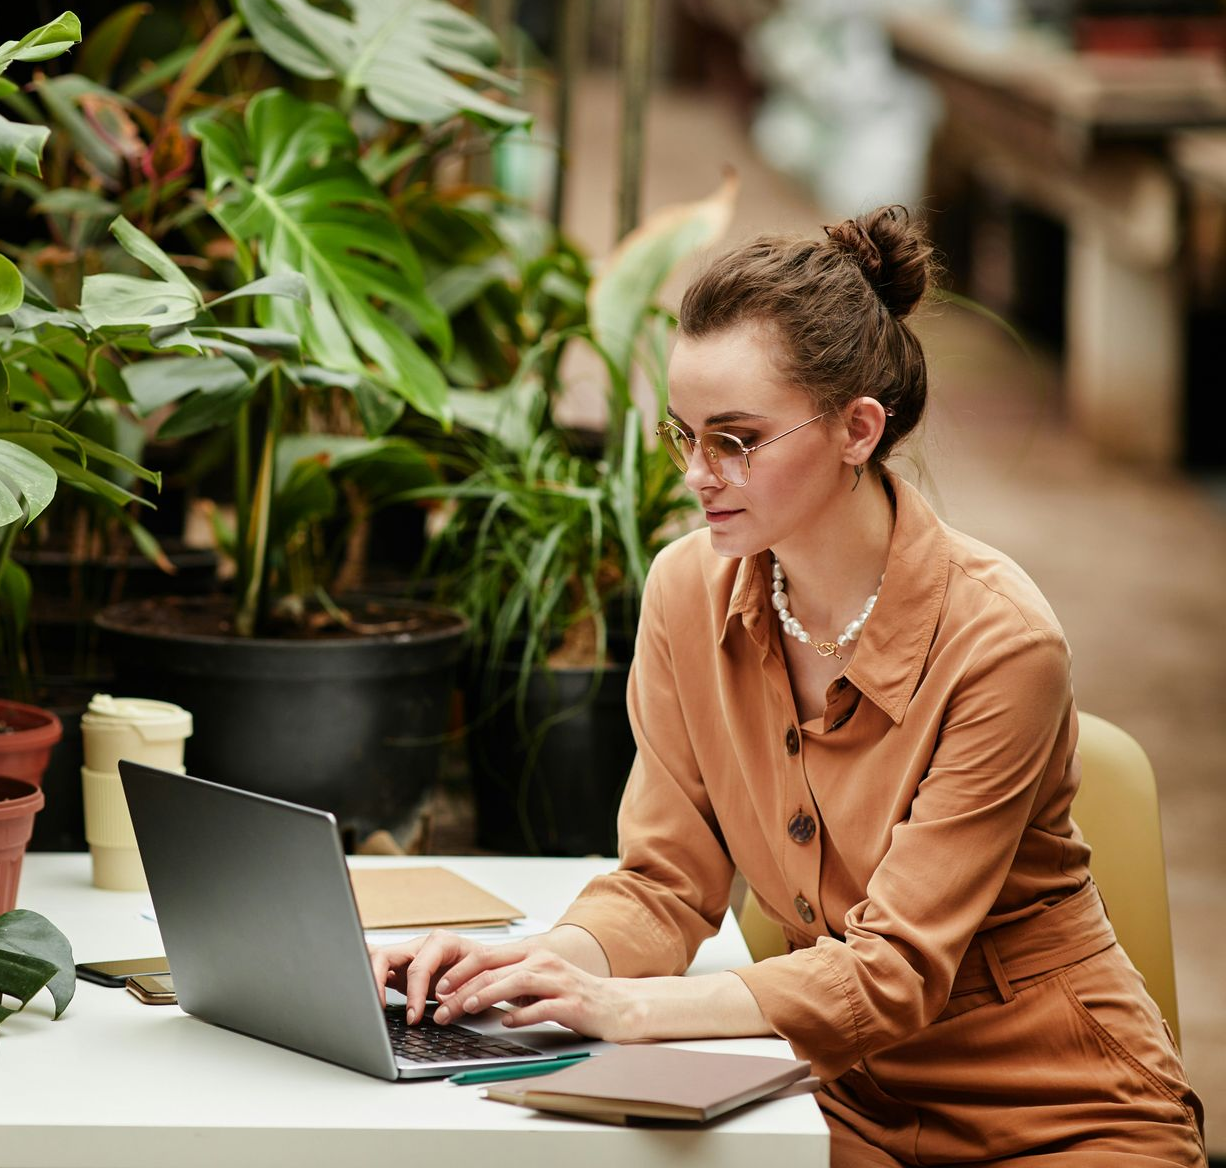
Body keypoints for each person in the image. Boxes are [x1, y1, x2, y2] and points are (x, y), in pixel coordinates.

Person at [372, 206, 1206, 1166]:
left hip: (1059, 1116)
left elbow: (892, 976)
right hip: (828, 1100)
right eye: (683, 435)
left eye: (737, 439)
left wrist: (631, 1010)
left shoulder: (1002, 644)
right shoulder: (687, 593)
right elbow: (665, 885)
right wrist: (525, 966)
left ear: (859, 429)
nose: (697, 475)